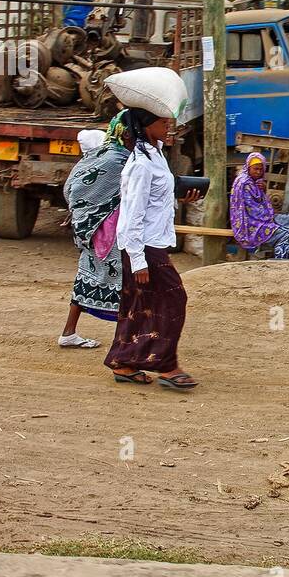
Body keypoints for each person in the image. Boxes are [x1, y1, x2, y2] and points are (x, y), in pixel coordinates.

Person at [104, 108, 198, 389]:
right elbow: (131, 212)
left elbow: (153, 203)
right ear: (146, 126)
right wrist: (138, 259)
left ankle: (124, 362)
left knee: (138, 305)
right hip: (143, 246)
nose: (168, 126)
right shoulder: (141, 165)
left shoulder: (155, 155)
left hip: (150, 242)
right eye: (162, 122)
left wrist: (181, 200)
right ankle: (165, 365)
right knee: (173, 299)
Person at [58, 122, 127, 349]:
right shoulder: (113, 163)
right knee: (125, 283)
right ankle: (126, 341)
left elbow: (70, 193)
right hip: (107, 235)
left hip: (89, 234)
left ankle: (69, 332)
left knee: (85, 277)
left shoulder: (82, 166)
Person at [229, 152, 289, 261]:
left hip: (263, 219)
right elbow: (253, 212)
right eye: (255, 169)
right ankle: (284, 265)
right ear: (248, 168)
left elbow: (260, 203)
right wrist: (270, 217)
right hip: (250, 226)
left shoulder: (255, 182)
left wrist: (263, 190)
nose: (258, 172)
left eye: (261, 169)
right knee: (287, 234)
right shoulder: (245, 183)